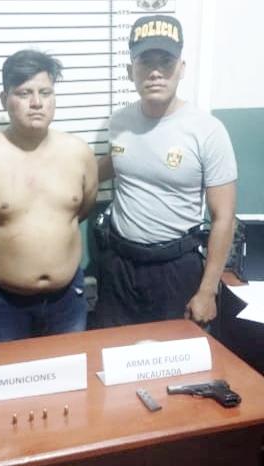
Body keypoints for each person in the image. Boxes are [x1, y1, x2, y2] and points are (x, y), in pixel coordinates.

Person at [96, 15, 237, 328]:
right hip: (119, 266)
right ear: (130, 71)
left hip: (176, 268)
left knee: (175, 355)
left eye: (166, 62)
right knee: (113, 350)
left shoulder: (208, 131)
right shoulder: (119, 122)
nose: (156, 72)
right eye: (146, 62)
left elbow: (224, 217)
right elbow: (116, 164)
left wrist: (207, 290)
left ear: (182, 69)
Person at [0, 49, 98, 344]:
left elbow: (82, 209)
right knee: (3, 375)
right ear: (4, 99)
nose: (36, 103)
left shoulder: (79, 153)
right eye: (24, 93)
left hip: (68, 299)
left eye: (45, 92)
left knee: (70, 373)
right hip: (0, 305)